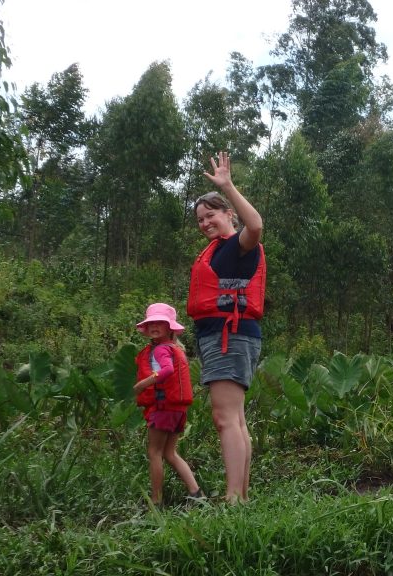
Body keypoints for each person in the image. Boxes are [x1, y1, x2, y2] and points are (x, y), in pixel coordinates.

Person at [187, 151, 265, 504]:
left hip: (228, 337)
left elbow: (256, 226)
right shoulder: (220, 251)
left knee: (224, 418)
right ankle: (241, 497)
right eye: (200, 220)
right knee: (234, 419)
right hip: (227, 336)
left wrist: (228, 185)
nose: (205, 223)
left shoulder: (238, 246)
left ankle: (233, 499)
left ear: (228, 214)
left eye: (211, 215)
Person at [133, 302, 202, 506]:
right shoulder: (173, 348)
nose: (155, 326)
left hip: (164, 408)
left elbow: (167, 371)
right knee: (169, 453)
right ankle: (196, 493)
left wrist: (143, 384)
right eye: (151, 323)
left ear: (169, 327)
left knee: (154, 453)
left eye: (160, 323)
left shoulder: (161, 350)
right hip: (177, 409)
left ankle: (156, 501)